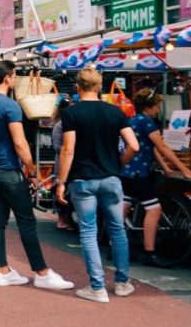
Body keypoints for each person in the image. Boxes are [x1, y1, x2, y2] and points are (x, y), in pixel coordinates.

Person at [0, 62, 74, 291]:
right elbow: (19, 143)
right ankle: (41, 272)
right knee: (26, 221)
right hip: (8, 169)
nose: (16, 79)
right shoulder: (11, 106)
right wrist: (32, 169)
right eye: (15, 75)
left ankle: (3, 270)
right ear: (8, 78)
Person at [56, 68, 139, 303]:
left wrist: (61, 182)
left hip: (84, 180)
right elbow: (133, 146)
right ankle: (122, 283)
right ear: (100, 87)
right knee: (117, 229)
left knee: (89, 232)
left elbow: (68, 149)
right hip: (111, 178)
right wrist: (117, 164)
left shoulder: (72, 114)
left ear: (77, 87)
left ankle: (97, 287)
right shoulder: (115, 112)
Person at [121, 89, 191, 266]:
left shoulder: (132, 121)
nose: (158, 110)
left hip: (126, 172)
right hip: (140, 173)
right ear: (149, 107)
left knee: (123, 208)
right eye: (157, 106)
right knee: (154, 210)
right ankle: (149, 251)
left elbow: (151, 148)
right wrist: (183, 168)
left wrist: (165, 168)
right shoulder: (147, 123)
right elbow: (161, 147)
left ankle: (117, 246)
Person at [51, 97, 76, 230]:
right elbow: (57, 146)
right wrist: (69, 150)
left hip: (73, 159)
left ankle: (69, 218)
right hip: (62, 160)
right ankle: (62, 218)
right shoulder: (59, 125)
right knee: (60, 187)